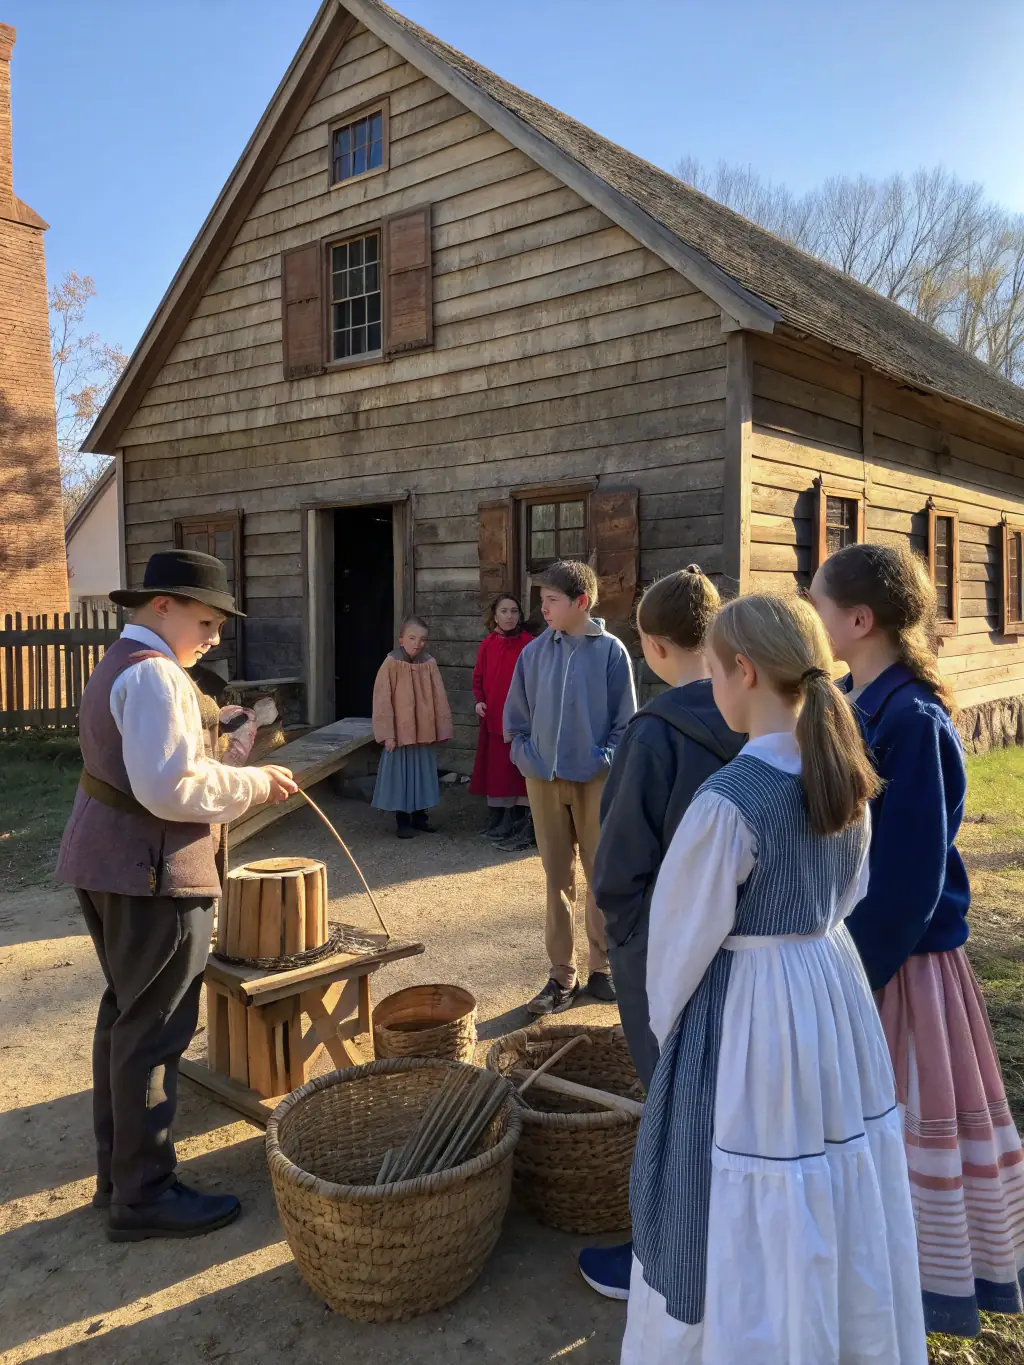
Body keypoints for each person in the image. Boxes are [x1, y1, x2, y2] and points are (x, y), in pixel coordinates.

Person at [624, 593, 927, 1365]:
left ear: (743, 671)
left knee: (749, 1181)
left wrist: (672, 1042)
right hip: (831, 990)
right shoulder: (844, 776)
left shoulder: (730, 800)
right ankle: (831, 1328)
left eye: (717, 675)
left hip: (753, 1011)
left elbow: (678, 949)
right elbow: (848, 898)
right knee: (827, 1165)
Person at [810, 541, 1024, 1338]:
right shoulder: (847, 698)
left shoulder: (913, 720)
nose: (815, 613)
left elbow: (909, 877)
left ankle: (916, 1273)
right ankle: (860, 1259)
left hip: (902, 965)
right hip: (854, 947)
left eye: (821, 602)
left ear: (859, 620)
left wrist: (853, 973)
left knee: (905, 1111)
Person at [55, 550, 297, 1241]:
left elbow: (167, 763)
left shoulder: (134, 667)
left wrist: (223, 733)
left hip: (117, 866)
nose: (214, 636)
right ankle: (144, 1194)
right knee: (153, 1028)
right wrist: (254, 782)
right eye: (206, 620)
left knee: (127, 1017)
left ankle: (121, 1176)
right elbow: (169, 788)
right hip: (151, 873)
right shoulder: (157, 675)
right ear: (161, 605)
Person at [578, 566, 743, 1303]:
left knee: (673, 1099)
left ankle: (664, 1256)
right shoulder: (766, 715)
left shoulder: (656, 732)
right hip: (751, 949)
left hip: (670, 951)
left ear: (649, 642)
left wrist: (620, 935)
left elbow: (619, 867)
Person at [503, 560, 636, 1014]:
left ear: (581, 602)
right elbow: (515, 723)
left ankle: (602, 968)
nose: (543, 609)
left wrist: (601, 762)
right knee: (557, 879)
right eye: (541, 601)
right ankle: (561, 975)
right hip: (543, 783)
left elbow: (626, 725)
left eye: (552, 601)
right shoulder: (533, 654)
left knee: (601, 876)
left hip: (596, 784)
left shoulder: (613, 652)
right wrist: (528, 759)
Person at [371, 615, 453, 838]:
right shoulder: (390, 664)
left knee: (422, 774)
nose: (417, 643)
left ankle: (420, 817)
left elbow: (439, 698)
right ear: (401, 639)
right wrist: (387, 734)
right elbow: (382, 701)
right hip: (400, 733)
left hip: (424, 732)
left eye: (422, 639)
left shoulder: (429, 664)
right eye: (412, 638)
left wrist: (441, 728)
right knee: (402, 776)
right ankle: (402, 820)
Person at [469, 593, 534, 850]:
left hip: (520, 719)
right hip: (493, 717)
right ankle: (498, 817)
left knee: (517, 769)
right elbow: (478, 677)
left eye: (514, 611)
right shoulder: (487, 644)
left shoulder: (529, 644)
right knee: (496, 769)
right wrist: (479, 700)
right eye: (504, 611)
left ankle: (520, 820)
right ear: (494, 615)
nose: (509, 616)